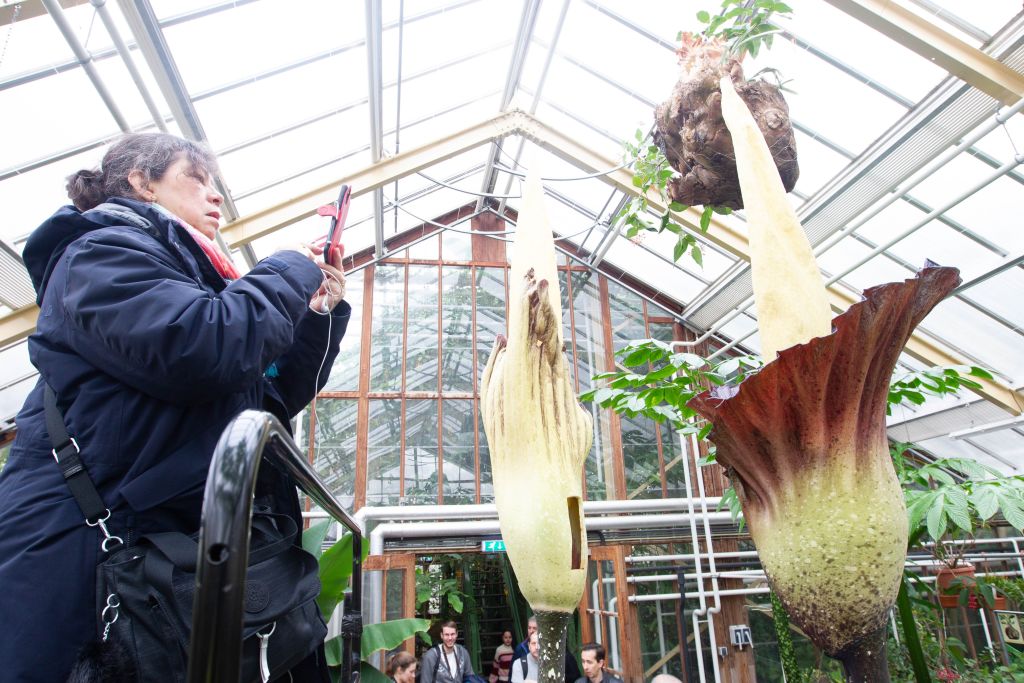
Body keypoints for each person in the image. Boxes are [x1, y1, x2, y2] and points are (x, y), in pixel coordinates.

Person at [0, 132, 351, 683]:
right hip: (93, 560)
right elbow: (204, 348)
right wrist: (288, 266)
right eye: (197, 177)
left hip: (167, 555)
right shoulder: (98, 253)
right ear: (142, 182)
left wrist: (317, 313)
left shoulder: (189, 275)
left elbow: (269, 398)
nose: (216, 195)